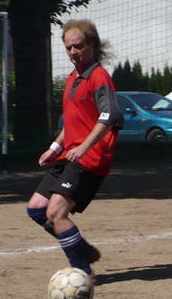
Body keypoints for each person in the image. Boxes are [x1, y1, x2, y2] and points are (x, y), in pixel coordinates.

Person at [25, 19, 122, 280]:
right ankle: (82, 250)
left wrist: (84, 147)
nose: (73, 52)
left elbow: (108, 117)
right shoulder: (73, 78)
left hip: (90, 159)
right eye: (68, 48)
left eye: (78, 46)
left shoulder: (98, 77)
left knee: (56, 213)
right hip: (70, 156)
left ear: (92, 45)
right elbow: (73, 122)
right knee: (36, 209)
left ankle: (83, 271)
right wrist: (55, 147)